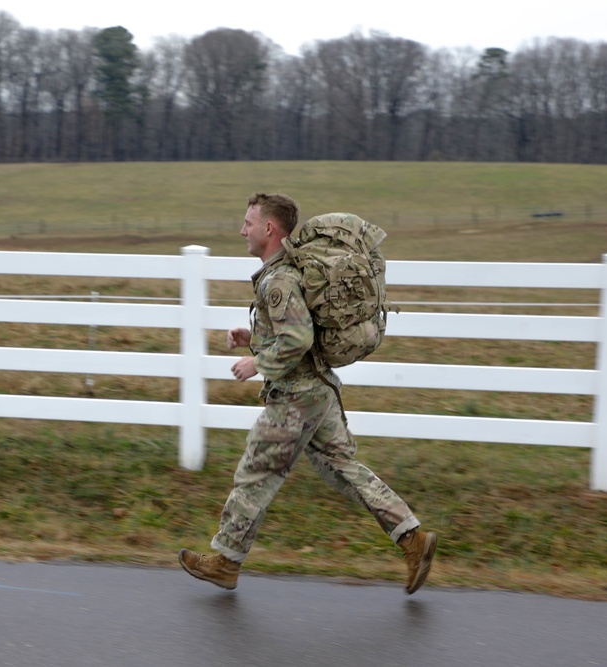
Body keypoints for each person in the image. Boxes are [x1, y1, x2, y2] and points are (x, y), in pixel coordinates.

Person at [178, 192, 437, 595]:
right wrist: (255, 337)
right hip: (317, 389)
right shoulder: (286, 272)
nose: (241, 230)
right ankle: (412, 538)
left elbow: (296, 339)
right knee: (342, 467)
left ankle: (226, 560)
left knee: (256, 472)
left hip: (296, 397)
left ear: (269, 228)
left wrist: (257, 363)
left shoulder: (278, 279)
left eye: (248, 223)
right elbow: (300, 333)